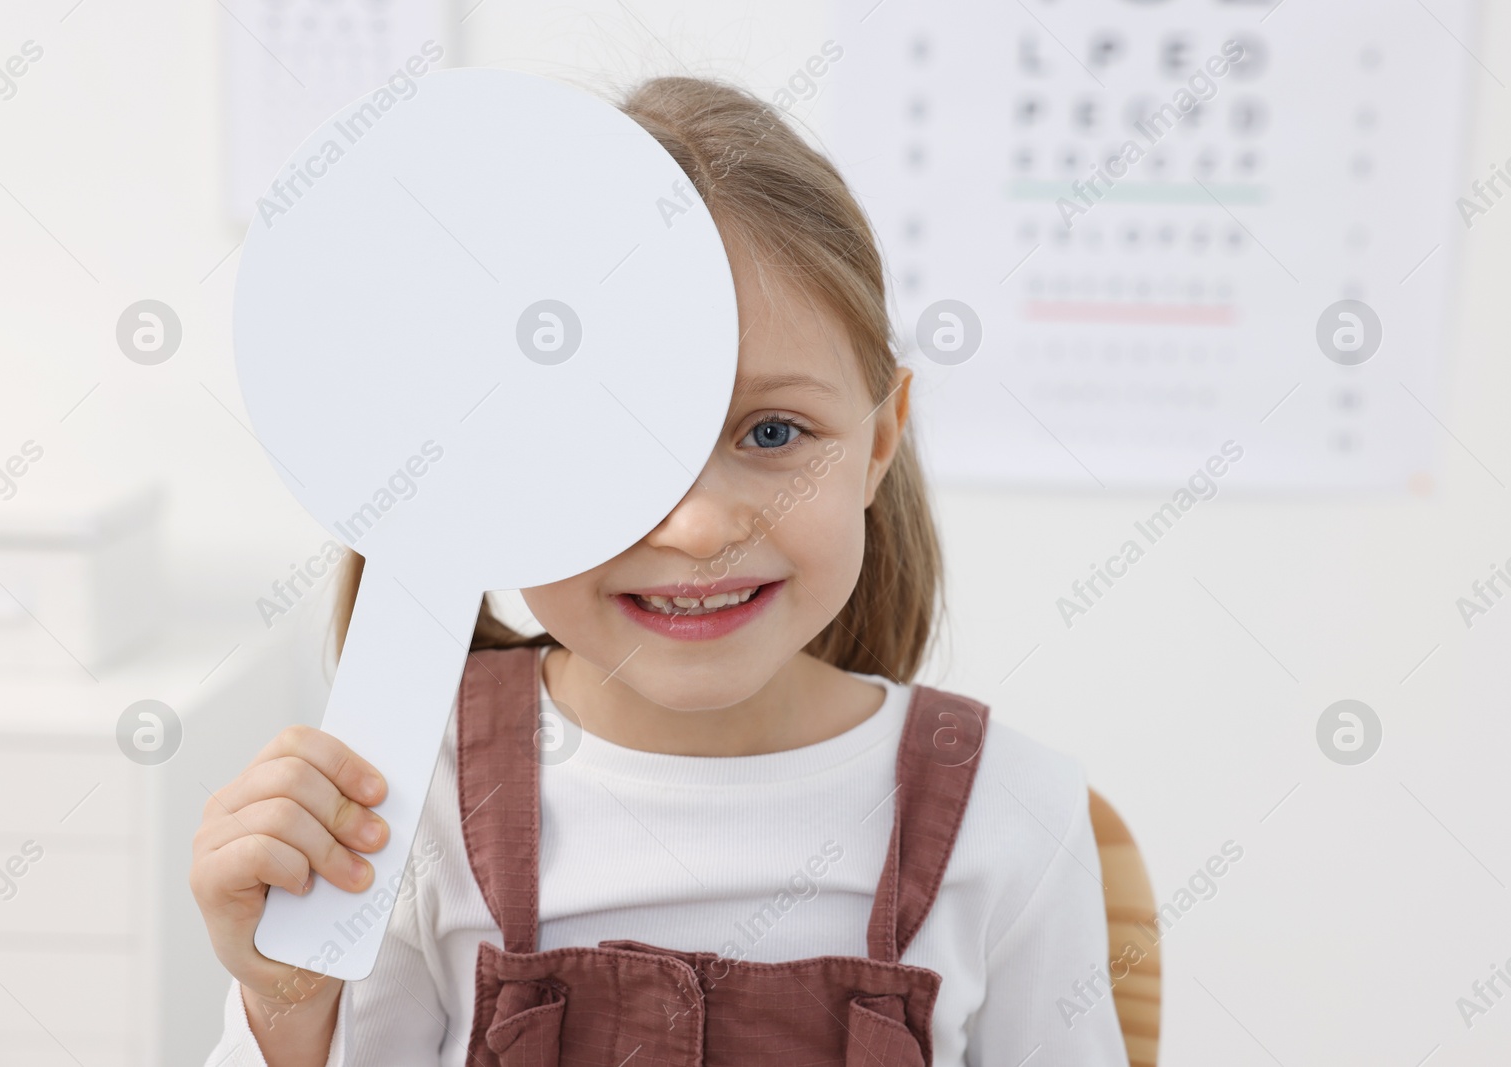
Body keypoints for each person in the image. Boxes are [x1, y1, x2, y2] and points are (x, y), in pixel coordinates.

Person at [193, 74, 1129, 1067]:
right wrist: (287, 1009)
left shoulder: (1013, 816)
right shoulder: (402, 806)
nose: (696, 523)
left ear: (881, 436)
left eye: (774, 431)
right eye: (609, 438)